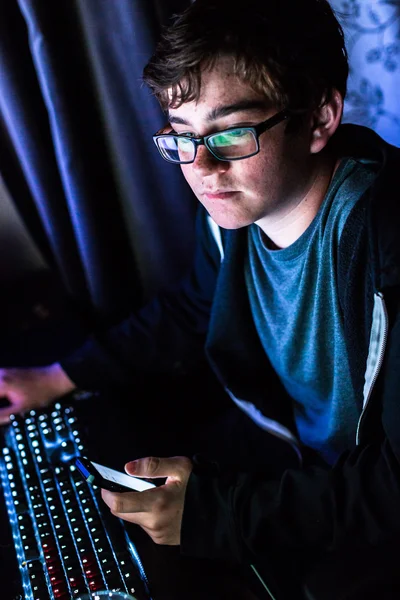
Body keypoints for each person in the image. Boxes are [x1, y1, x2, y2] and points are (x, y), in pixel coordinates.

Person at [1, 0, 400, 596]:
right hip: (288, 453)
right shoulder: (233, 212)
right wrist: (64, 374)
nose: (203, 168)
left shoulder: (384, 241)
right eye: (182, 138)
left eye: (232, 132)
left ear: (320, 118)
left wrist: (216, 513)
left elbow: (391, 486)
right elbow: (193, 306)